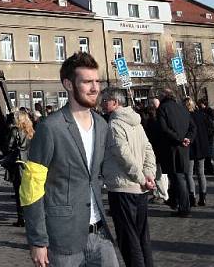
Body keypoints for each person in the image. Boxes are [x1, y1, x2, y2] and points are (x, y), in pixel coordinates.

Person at [21, 53, 118, 267]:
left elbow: (104, 170)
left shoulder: (102, 125)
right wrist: (37, 240)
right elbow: (30, 188)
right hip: (63, 240)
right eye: (86, 82)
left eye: (97, 81)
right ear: (68, 84)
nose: (95, 88)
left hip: (100, 233)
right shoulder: (50, 127)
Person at [100, 88, 156, 267]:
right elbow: (148, 150)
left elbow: (123, 155)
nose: (102, 103)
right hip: (139, 188)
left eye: (105, 100)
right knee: (141, 237)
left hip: (123, 187)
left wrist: (143, 177)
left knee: (129, 239)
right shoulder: (136, 122)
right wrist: (148, 176)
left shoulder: (115, 124)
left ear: (115, 103)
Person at [156, 91, 195, 217]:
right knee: (176, 177)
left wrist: (179, 139)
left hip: (172, 148)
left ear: (163, 97)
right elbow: (193, 127)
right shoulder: (183, 108)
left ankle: (184, 208)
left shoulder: (163, 108)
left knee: (178, 178)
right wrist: (187, 138)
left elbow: (164, 128)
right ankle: (175, 202)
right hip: (183, 147)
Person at [5, 109, 34, 227]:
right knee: (28, 192)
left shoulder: (15, 130)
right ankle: (29, 216)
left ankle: (21, 218)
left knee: (18, 192)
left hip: (18, 163)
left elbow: (9, 146)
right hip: (29, 163)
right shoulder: (31, 131)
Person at [186, 99, 209, 207]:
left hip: (190, 147)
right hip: (201, 146)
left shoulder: (185, 117)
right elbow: (210, 129)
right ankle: (203, 197)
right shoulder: (201, 115)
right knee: (201, 173)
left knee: (189, 174)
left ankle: (192, 197)